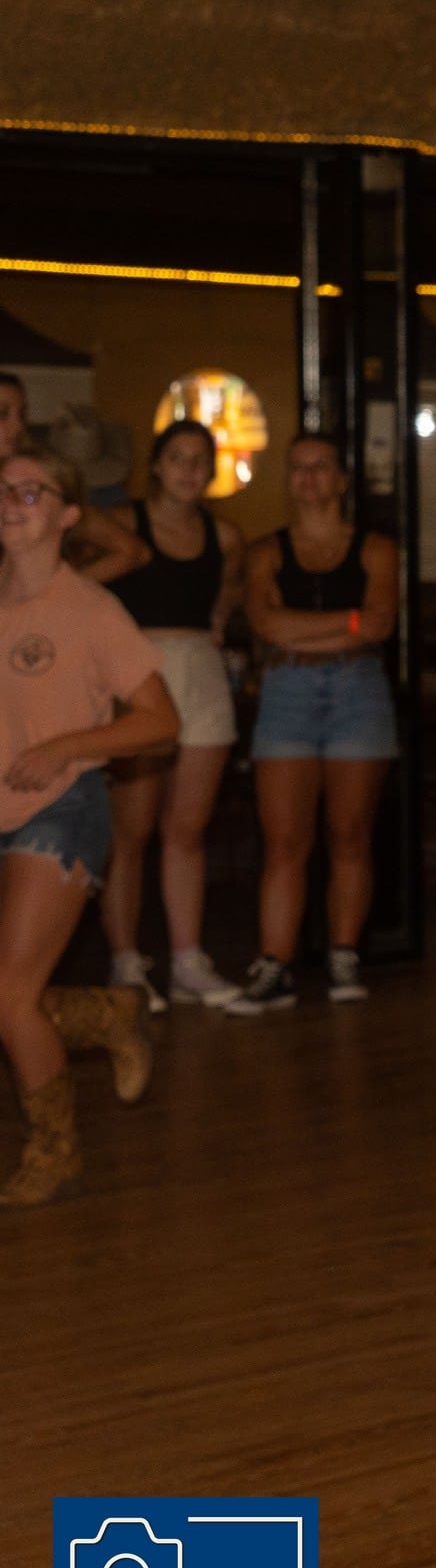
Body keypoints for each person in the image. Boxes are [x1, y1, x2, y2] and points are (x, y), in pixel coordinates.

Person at [0, 449, 180, 1204]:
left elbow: (161, 721)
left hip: (63, 809)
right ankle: (108, 1013)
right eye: (2, 490)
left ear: (68, 514)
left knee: (11, 995)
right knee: (10, 996)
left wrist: (66, 746)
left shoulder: (90, 610)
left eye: (30, 491)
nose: (11, 501)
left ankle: (56, 1150)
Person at [74, 419, 247, 1008]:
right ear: (155, 465)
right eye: (177, 458)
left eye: (200, 460)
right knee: (132, 830)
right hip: (140, 674)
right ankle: (126, 961)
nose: (188, 470)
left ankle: (187, 959)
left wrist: (218, 622)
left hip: (201, 672)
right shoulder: (123, 524)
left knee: (188, 829)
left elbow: (227, 595)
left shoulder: (225, 535)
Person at [223, 434, 397, 1015]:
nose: (309, 477)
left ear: (341, 479)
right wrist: (347, 622)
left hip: (358, 688)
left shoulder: (375, 549)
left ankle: (344, 956)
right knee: (283, 842)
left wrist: (303, 626)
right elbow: (266, 626)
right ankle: (275, 965)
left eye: (320, 466)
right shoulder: (265, 552)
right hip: (287, 688)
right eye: (298, 468)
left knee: (350, 834)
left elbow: (380, 624)